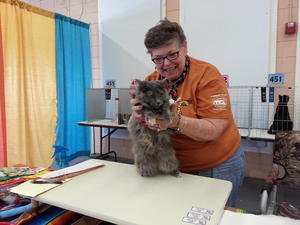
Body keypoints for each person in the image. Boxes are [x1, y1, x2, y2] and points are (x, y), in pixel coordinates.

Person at [129, 19, 245, 207]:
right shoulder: (151, 81)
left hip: (217, 164)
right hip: (175, 164)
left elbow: (214, 129)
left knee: (213, 214)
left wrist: (175, 122)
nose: (166, 64)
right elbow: (137, 128)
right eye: (158, 58)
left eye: (172, 54)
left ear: (185, 47)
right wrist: (137, 115)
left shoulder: (207, 75)